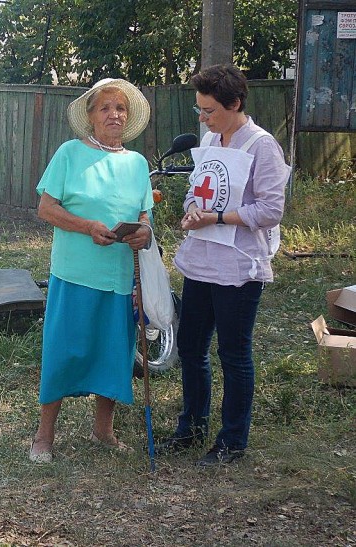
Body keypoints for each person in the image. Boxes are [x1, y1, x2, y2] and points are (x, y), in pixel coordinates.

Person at [157, 64, 290, 466]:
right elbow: (197, 190)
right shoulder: (212, 138)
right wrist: (192, 210)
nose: (202, 118)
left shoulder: (261, 146)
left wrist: (218, 218)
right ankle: (191, 428)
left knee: (233, 353)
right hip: (202, 260)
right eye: (199, 110)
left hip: (238, 265)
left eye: (209, 110)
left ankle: (232, 440)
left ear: (234, 104)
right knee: (191, 346)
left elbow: (271, 209)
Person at [29, 78, 154, 463]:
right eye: (105, 107)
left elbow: (145, 216)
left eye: (120, 108)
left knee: (113, 352)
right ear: (91, 116)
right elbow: (46, 209)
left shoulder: (137, 164)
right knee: (63, 351)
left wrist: (144, 232)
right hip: (75, 273)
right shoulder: (69, 153)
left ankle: (103, 429)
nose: (113, 114)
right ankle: (44, 436)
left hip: (118, 277)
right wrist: (87, 227)